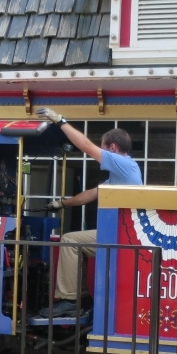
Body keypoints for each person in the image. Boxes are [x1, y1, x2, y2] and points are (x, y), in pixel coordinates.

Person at [36, 108, 143, 316]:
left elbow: (85, 145)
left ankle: (69, 300)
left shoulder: (122, 163)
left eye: (102, 148)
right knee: (78, 243)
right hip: (123, 235)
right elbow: (91, 194)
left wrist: (60, 121)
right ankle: (81, 297)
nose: (99, 153)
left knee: (69, 240)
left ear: (112, 147)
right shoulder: (122, 173)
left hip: (121, 237)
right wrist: (63, 204)